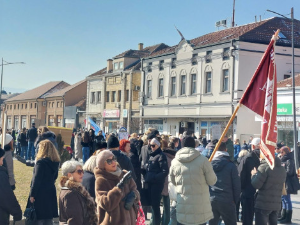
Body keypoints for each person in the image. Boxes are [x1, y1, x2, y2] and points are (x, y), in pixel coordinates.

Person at [169, 136, 217, 225]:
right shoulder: (203, 160)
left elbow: (173, 181)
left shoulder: (175, 161)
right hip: (200, 209)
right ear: (194, 145)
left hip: (183, 206)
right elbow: (212, 181)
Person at [94, 150, 139, 225]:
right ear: (102, 165)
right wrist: (118, 188)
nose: (113, 162)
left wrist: (134, 195)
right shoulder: (101, 180)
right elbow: (105, 204)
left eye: (114, 158)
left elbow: (135, 191)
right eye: (109, 161)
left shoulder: (124, 174)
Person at [27, 140, 60, 225]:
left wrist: (32, 194)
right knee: (48, 218)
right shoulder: (55, 162)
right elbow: (55, 176)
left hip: (40, 192)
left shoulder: (41, 162)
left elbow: (36, 179)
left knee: (38, 218)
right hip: (50, 190)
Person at [209, 142, 241, 225]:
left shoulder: (209, 165)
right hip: (227, 199)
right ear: (226, 150)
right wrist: (234, 201)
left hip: (211, 199)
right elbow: (237, 185)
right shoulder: (231, 165)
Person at [251, 152, 286, 225]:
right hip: (276, 203)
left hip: (263, 203)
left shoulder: (264, 167)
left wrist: (253, 175)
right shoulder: (282, 169)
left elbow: (256, 184)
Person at [59, 160, 97, 225]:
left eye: (82, 171)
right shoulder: (70, 193)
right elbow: (75, 220)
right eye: (79, 172)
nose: (82, 174)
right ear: (69, 175)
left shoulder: (75, 190)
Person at [144, 138, 168, 225]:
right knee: (152, 205)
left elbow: (165, 171)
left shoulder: (161, 156)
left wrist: (153, 177)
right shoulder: (152, 155)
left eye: (153, 146)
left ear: (158, 145)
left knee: (156, 206)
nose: (152, 147)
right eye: (150, 146)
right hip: (150, 183)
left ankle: (157, 223)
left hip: (156, 184)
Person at [237, 137, 261, 225]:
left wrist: (240, 189)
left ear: (253, 146)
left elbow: (240, 175)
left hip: (248, 191)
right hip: (263, 193)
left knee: (247, 217)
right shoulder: (268, 159)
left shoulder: (247, 158)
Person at [278, 146, 300, 223]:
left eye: (282, 152)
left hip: (288, 182)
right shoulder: (282, 159)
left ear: (286, 152)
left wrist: (281, 173)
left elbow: (290, 172)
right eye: (280, 152)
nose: (280, 153)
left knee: (287, 199)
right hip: (283, 181)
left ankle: (288, 218)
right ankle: (283, 216)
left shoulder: (289, 160)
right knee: (283, 199)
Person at [0, 148, 22, 225]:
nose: (2, 163)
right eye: (1, 160)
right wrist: (17, 213)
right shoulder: (1, 175)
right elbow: (6, 197)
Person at [161, 141, 176, 225]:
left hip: (161, 183)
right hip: (170, 185)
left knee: (157, 207)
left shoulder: (162, 156)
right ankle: (165, 223)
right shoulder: (175, 157)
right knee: (167, 208)